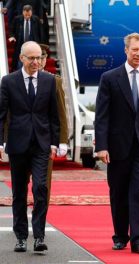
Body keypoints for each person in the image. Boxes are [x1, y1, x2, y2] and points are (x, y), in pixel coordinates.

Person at [94, 33, 139, 254]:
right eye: (135, 50)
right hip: (117, 147)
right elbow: (102, 116)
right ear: (126, 50)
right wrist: (101, 146)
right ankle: (121, 235)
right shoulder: (110, 78)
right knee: (119, 193)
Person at [0, 41, 60, 253]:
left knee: (40, 188)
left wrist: (56, 142)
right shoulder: (8, 81)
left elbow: (54, 114)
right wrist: (0, 142)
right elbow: (1, 114)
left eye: (39, 58)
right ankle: (21, 237)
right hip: (18, 144)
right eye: (32, 58)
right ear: (22, 58)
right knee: (19, 193)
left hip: (41, 144)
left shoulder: (48, 80)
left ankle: (39, 236)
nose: (36, 62)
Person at [39, 43, 68, 202]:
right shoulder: (15, 80)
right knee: (21, 183)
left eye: (43, 57)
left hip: (45, 141)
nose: (39, 60)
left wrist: (62, 140)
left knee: (43, 184)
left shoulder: (54, 81)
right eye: (35, 56)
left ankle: (41, 217)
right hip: (23, 140)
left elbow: (61, 113)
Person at [8, 5, 42, 71]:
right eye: (26, 14)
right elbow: (11, 30)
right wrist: (12, 36)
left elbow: (41, 33)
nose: (27, 16)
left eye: (29, 14)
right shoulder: (17, 19)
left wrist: (40, 45)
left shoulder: (36, 19)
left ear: (31, 12)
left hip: (33, 46)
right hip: (20, 46)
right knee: (19, 65)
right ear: (23, 12)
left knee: (32, 64)